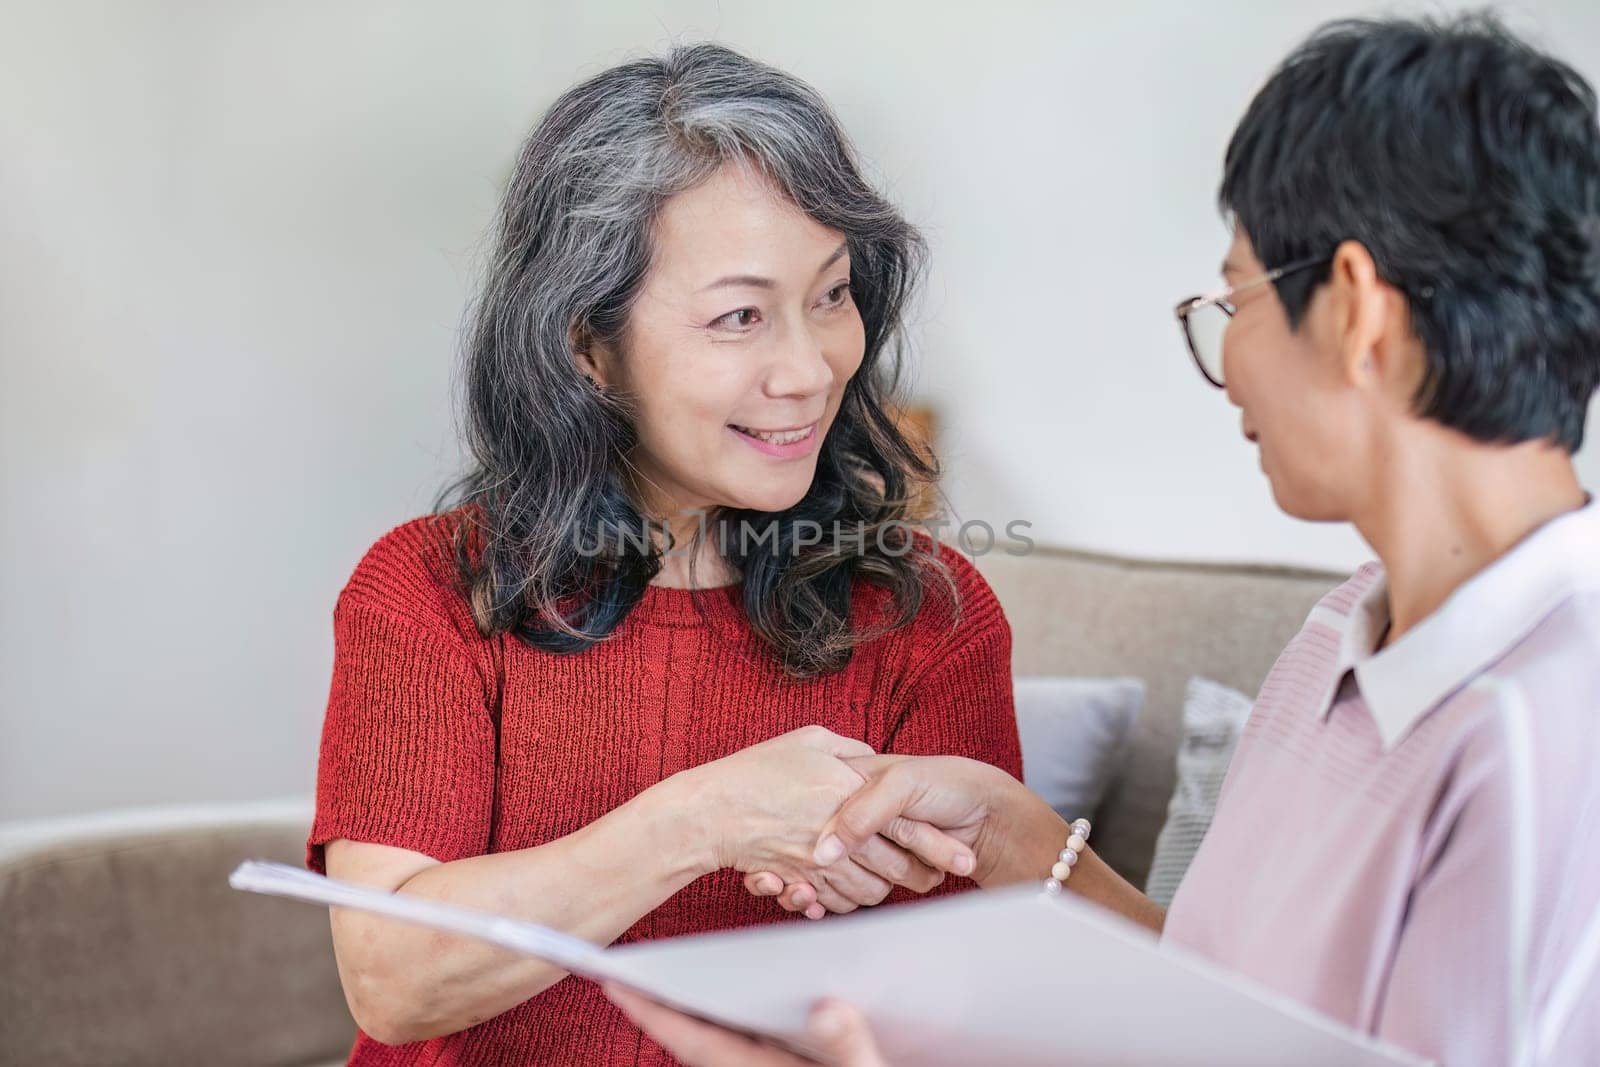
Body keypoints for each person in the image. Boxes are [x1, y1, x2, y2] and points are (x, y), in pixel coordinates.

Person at [611, 14, 1600, 1066]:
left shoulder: (1550, 740)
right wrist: (1014, 836)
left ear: (1355, 308)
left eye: (1235, 297)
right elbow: (1227, 1021)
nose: (1222, 361)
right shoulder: (1339, 635)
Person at [306, 43, 1022, 1065]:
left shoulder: (926, 616)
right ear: (583, 345)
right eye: (739, 316)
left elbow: (978, 1005)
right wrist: (704, 819)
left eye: (831, 294)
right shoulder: (427, 590)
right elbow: (395, 977)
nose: (810, 367)